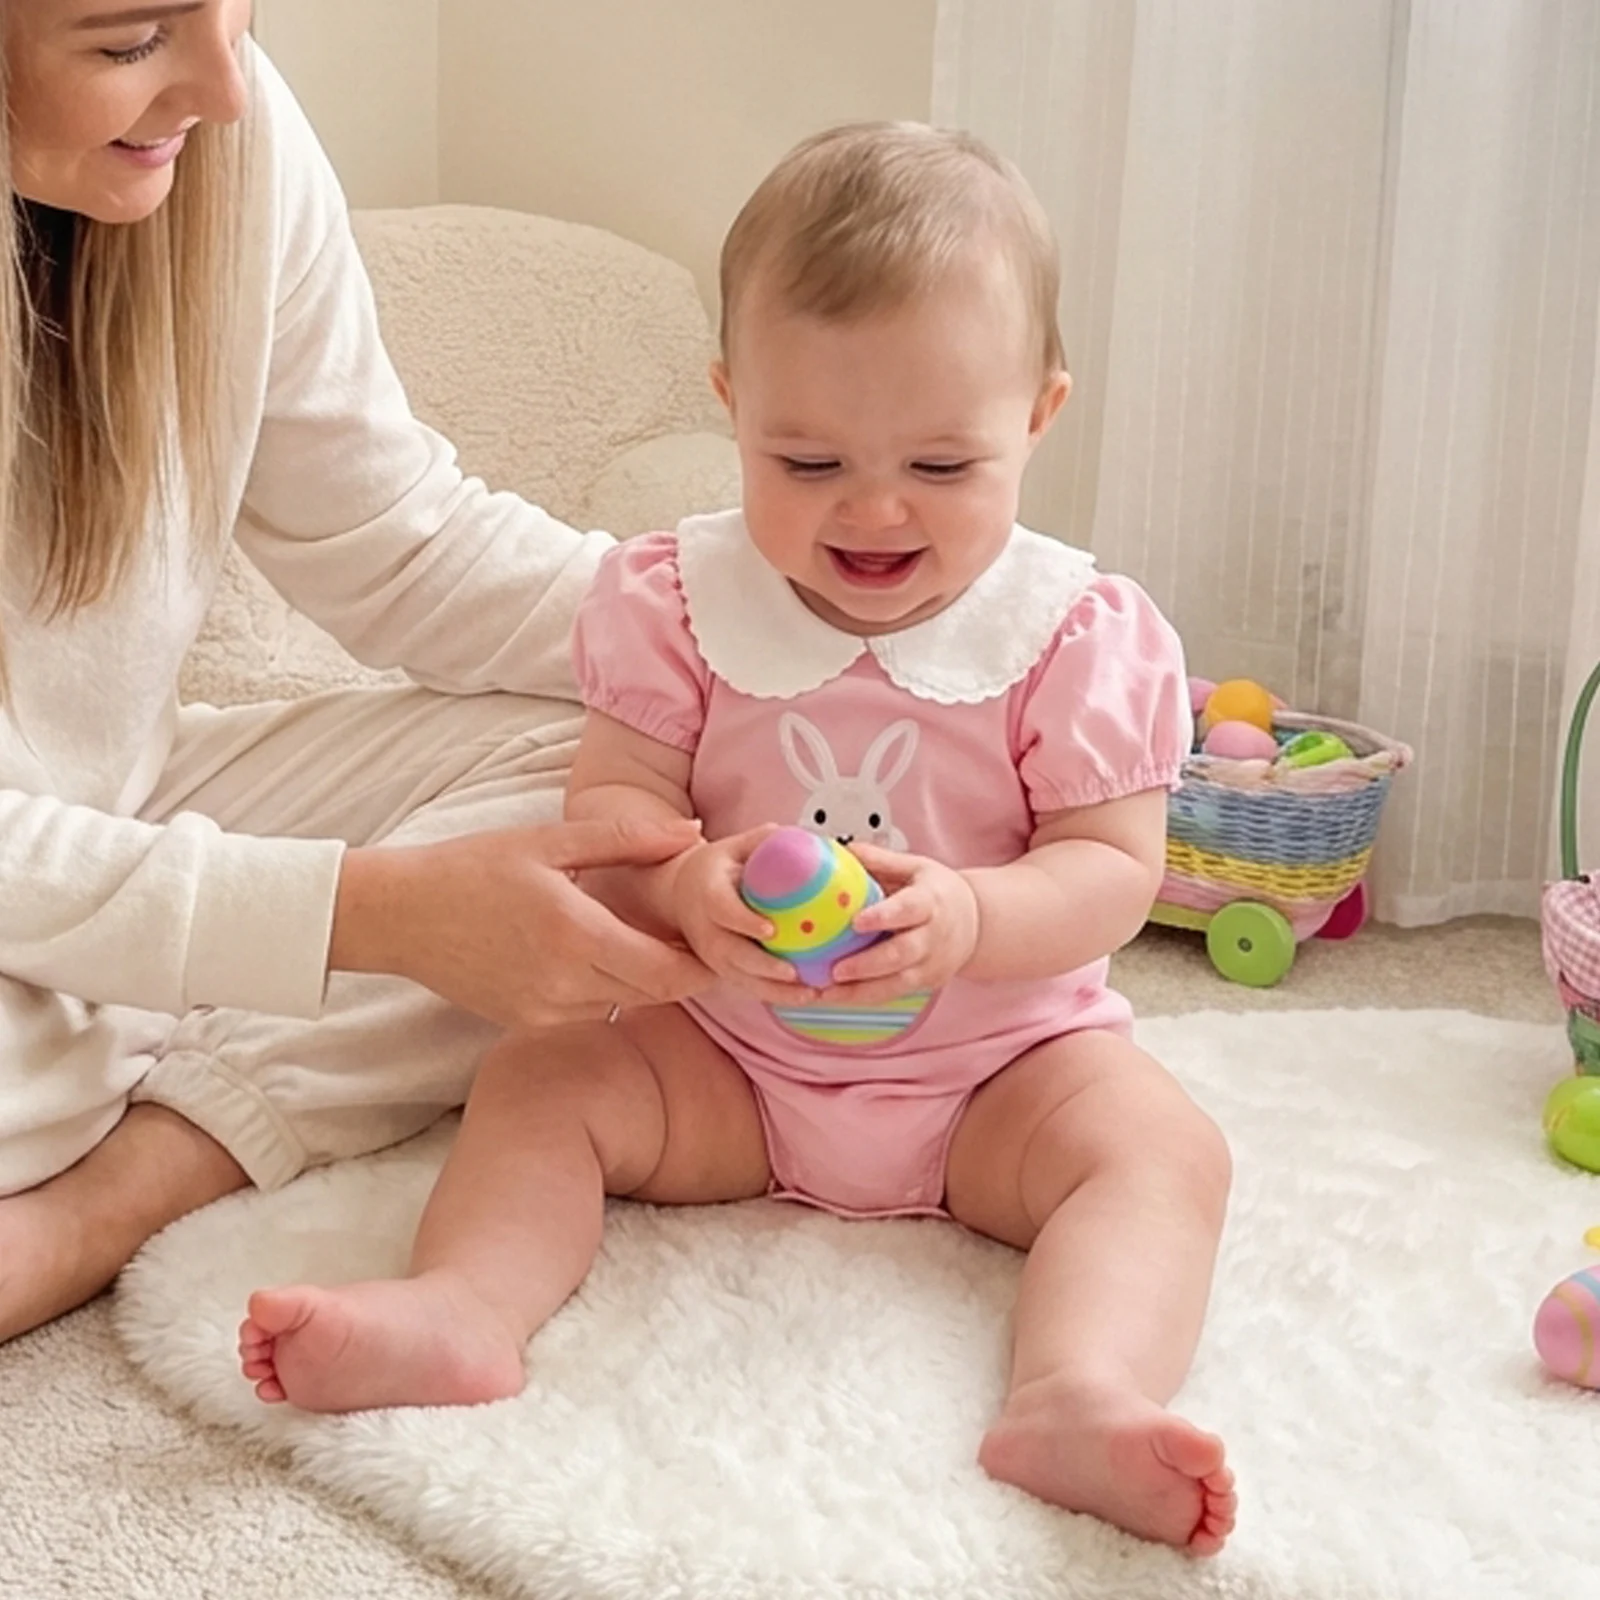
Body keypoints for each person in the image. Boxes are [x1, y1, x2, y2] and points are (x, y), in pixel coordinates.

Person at [238, 122, 1237, 1556]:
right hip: (728, 1058)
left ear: (1039, 416)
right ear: (731, 405)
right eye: (807, 457)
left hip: (998, 1077)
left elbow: (1112, 873)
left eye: (943, 463)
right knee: (537, 1076)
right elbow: (614, 806)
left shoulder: (1073, 633)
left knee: (1163, 1154)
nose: (874, 507)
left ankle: (1079, 1390)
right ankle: (464, 1307)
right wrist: (681, 876)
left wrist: (971, 918)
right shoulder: (677, 599)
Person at [0, 1, 713, 1345]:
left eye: (238, 12)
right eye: (130, 44)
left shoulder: (231, 135)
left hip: (129, 804)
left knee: (636, 781)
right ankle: (154, 1041)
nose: (226, 91)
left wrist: (776, 637)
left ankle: (110, 1185)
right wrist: (370, 919)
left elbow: (399, 538)